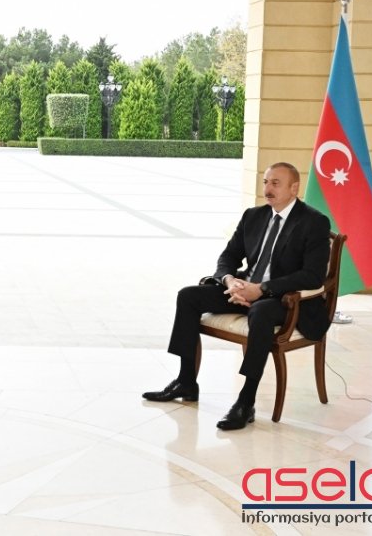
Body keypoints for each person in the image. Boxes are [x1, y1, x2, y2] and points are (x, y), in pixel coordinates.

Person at [142, 162, 331, 430]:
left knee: (261, 312)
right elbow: (228, 257)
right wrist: (230, 281)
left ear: (294, 188)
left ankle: (246, 400)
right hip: (243, 290)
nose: (267, 189)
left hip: (282, 299)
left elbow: (313, 276)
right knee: (188, 296)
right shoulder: (253, 216)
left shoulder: (314, 222)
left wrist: (262, 289)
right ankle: (186, 381)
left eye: (275, 183)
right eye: (265, 182)